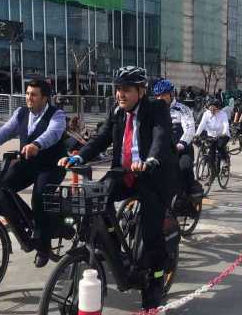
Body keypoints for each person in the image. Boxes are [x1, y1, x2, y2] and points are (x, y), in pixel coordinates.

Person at [60, 66, 178, 310]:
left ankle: (155, 280)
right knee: (94, 199)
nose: (120, 94)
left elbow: (160, 134)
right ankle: (113, 248)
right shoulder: (117, 112)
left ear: (141, 91)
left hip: (152, 175)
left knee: (150, 231)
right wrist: (79, 157)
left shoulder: (156, 108)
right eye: (118, 89)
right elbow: (100, 138)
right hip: (123, 173)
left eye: (126, 89)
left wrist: (151, 159)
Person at [0, 79, 67, 268]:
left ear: (44, 98)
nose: (28, 98)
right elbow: (5, 131)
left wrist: (37, 145)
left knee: (39, 197)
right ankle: (27, 221)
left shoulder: (57, 114)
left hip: (51, 166)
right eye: (27, 93)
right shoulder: (21, 113)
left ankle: (43, 245)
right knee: (2, 186)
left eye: (33, 94)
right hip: (28, 163)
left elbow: (53, 133)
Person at [153, 79, 202, 198]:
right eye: (157, 96)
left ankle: (192, 193)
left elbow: (190, 129)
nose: (160, 98)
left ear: (171, 94)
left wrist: (181, 144)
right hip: (163, 151)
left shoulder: (182, 109)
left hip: (181, 150)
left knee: (184, 168)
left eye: (163, 95)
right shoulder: (153, 110)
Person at [195, 99, 231, 169]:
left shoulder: (223, 114)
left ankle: (225, 160)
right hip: (211, 135)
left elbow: (226, 124)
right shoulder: (206, 114)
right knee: (211, 151)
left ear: (218, 108)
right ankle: (212, 169)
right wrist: (197, 134)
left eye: (214, 109)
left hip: (223, 135)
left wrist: (224, 133)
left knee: (220, 146)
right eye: (210, 109)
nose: (212, 111)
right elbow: (202, 124)